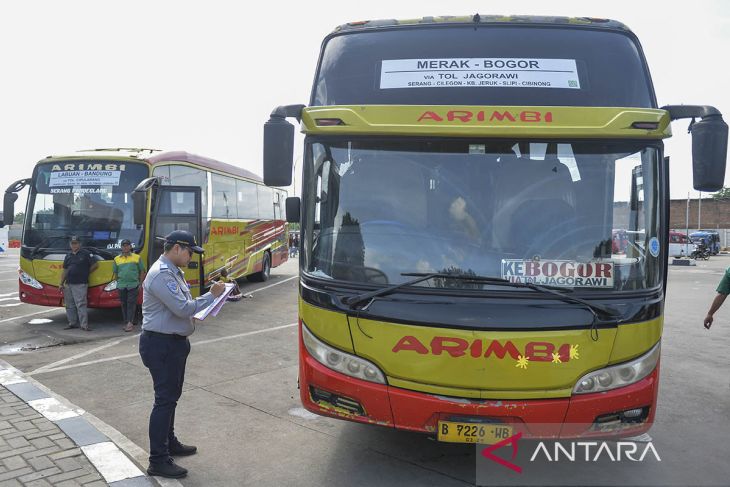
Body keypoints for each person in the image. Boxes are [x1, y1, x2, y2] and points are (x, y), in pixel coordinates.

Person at [139, 230, 225, 479]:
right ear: (176, 248)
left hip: (173, 344)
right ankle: (158, 459)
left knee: (171, 398)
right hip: (161, 345)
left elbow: (185, 308)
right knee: (164, 400)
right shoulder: (161, 275)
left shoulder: (173, 272)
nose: (191, 258)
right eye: (189, 252)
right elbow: (182, 308)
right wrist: (213, 295)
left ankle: (169, 442)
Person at [60, 236, 98, 331]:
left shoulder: (86, 253)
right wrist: (61, 283)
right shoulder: (68, 255)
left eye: (76, 243)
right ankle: (72, 323)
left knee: (81, 304)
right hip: (68, 284)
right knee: (69, 305)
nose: (74, 245)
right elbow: (65, 270)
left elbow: (95, 265)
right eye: (72, 243)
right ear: (70, 244)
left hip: (80, 283)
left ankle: (84, 325)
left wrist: (86, 272)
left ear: (80, 244)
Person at [112, 239, 146, 332]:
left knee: (131, 303)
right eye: (123, 245)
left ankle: (130, 323)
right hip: (121, 285)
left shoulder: (137, 257)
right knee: (123, 304)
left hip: (133, 285)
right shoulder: (117, 259)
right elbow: (116, 273)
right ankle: (127, 322)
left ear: (130, 247)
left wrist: (140, 284)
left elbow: (142, 271)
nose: (125, 247)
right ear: (121, 247)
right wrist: (118, 283)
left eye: (127, 245)